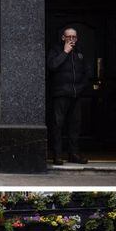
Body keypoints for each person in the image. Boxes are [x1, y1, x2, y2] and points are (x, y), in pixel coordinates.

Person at [47, 27, 90, 165]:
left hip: (76, 94)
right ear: (63, 38)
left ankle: (73, 154)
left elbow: (86, 72)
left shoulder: (79, 52)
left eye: (74, 37)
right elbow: (52, 66)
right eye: (69, 37)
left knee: (75, 126)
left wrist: (81, 87)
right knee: (58, 125)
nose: (71, 40)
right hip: (60, 94)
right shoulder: (56, 50)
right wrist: (65, 52)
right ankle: (57, 155)